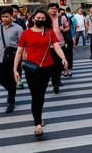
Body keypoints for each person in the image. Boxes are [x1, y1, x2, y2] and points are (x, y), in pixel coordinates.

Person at [14, 8, 68, 137]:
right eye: (38, 18)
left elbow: (56, 46)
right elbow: (19, 52)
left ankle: (38, 116)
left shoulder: (49, 32)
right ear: (33, 19)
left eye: (43, 18)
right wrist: (15, 70)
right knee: (36, 95)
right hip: (32, 68)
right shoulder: (26, 33)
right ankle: (38, 124)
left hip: (47, 67)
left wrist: (63, 58)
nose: (40, 20)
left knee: (41, 95)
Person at [0, 7, 23, 113]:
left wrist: (23, 58)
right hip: (2, 58)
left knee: (11, 79)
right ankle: (11, 91)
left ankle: (11, 101)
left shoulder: (18, 28)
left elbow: (23, 45)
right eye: (3, 17)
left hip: (14, 58)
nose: (4, 19)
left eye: (6, 16)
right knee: (1, 79)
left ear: (12, 16)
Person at [47, 3, 69, 94]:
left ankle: (58, 79)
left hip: (61, 44)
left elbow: (68, 27)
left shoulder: (61, 18)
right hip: (50, 46)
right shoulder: (45, 20)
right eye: (51, 8)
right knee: (52, 65)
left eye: (55, 8)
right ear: (48, 10)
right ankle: (55, 83)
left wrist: (63, 29)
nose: (53, 10)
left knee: (60, 65)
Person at [11, 5, 26, 89]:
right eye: (13, 11)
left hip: (19, 47)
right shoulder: (6, 21)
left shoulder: (21, 22)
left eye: (16, 12)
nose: (14, 13)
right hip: (9, 48)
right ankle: (12, 80)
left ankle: (19, 80)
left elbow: (25, 33)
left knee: (19, 64)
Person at [63, 7, 77, 76]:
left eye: (64, 18)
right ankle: (64, 70)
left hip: (69, 42)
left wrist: (74, 43)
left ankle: (68, 70)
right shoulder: (58, 27)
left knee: (69, 56)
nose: (63, 19)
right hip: (61, 43)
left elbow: (72, 34)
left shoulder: (69, 25)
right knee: (63, 57)